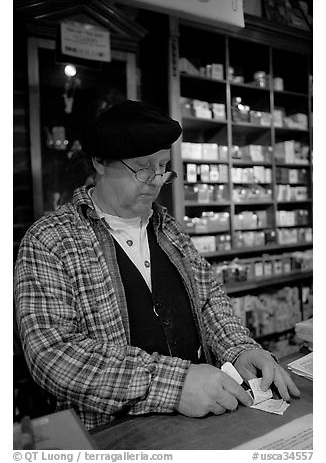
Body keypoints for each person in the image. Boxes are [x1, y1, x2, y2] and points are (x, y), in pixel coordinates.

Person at [14, 100, 300, 430]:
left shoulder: (170, 229)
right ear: (100, 162)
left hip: (203, 426)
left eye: (163, 166)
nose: (155, 180)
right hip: (113, 436)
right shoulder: (51, 239)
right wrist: (174, 385)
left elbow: (209, 303)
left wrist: (240, 350)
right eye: (142, 167)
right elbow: (51, 355)